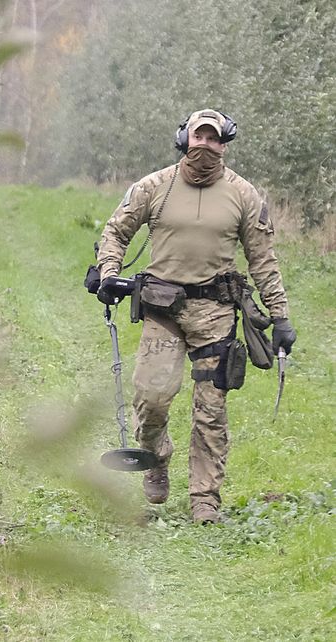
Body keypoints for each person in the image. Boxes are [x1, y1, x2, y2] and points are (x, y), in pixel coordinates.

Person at [93, 108, 296, 524]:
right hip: (161, 310)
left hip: (216, 313)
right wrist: (109, 273)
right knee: (151, 399)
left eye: (213, 138)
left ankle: (205, 499)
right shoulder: (155, 186)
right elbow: (116, 231)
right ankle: (157, 457)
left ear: (225, 144)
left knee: (211, 408)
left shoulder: (244, 195)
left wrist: (280, 316)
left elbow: (263, 260)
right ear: (184, 139)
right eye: (198, 137)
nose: (204, 145)